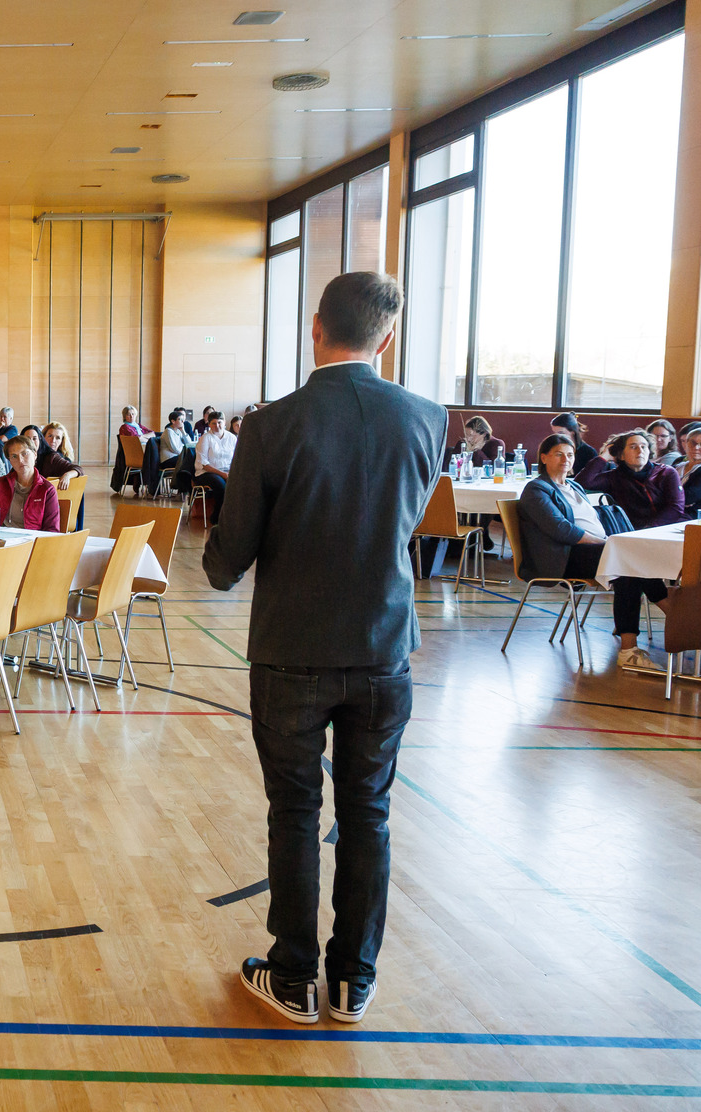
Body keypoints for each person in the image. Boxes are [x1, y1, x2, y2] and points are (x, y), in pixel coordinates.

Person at [202, 272, 447, 1026]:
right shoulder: (428, 418)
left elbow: (225, 560)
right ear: (387, 336)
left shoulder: (273, 425)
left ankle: (293, 976)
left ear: (316, 328)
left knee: (295, 814)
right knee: (368, 814)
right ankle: (353, 981)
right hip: (383, 648)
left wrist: (236, 545)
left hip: (292, 650)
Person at [519, 434, 670, 673]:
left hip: (594, 549)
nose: (565, 459)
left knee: (634, 560)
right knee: (626, 565)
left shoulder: (574, 486)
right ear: (544, 457)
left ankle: (670, 615)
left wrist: (610, 544)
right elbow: (561, 529)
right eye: (559, 454)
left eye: (570, 455)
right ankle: (633, 647)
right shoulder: (536, 489)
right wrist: (606, 543)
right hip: (564, 556)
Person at [0, 435, 61, 531]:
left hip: (30, 542)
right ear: (10, 461)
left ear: (35, 454)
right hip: (0, 539)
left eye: (24, 453)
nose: (20, 460)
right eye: (14, 456)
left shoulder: (47, 489)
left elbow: (52, 530)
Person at [193, 411, 238, 526]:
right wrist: (223, 474)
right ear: (209, 424)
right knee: (220, 485)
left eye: (219, 422)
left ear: (224, 422)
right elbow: (204, 464)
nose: (217, 426)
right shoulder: (205, 438)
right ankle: (217, 517)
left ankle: (236, 517)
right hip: (206, 472)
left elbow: (237, 458)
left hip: (227, 471)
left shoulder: (232, 438)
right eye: (213, 423)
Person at [39, 422, 82, 490]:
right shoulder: (37, 455)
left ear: (62, 441)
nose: (53, 440)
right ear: (43, 437)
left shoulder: (60, 458)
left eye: (58, 438)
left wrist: (67, 475)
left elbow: (79, 469)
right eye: (50, 436)